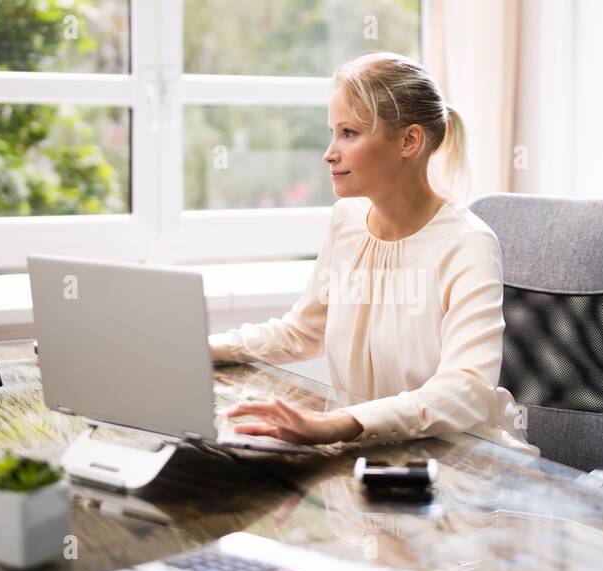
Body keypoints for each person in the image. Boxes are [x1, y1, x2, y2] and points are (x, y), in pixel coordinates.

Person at [209, 52, 534, 455]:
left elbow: (464, 392)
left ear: (409, 141)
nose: (329, 152)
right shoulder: (346, 222)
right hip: (369, 451)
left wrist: (337, 424)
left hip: (457, 462)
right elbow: (303, 331)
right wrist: (202, 347)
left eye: (349, 133)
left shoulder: (467, 245)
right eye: (333, 132)